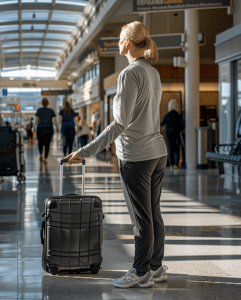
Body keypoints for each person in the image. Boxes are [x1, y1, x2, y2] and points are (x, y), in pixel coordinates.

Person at [65, 21, 168, 289]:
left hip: (136, 156)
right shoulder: (152, 72)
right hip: (157, 152)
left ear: (129, 43)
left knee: (140, 217)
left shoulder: (129, 74)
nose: (119, 42)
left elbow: (120, 123)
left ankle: (140, 271)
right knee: (153, 213)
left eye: (121, 38)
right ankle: (156, 267)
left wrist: (85, 150)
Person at [160, 99, 184, 170]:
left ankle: (171, 164)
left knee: (170, 149)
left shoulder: (167, 115)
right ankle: (176, 165)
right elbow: (182, 125)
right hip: (177, 133)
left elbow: (162, 124)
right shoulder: (178, 115)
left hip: (168, 134)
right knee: (177, 149)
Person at [35, 98, 57, 163]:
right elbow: (53, 120)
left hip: (40, 128)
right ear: (47, 103)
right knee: (47, 144)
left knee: (40, 143)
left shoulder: (39, 110)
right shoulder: (51, 111)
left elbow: (36, 120)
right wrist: (57, 126)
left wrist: (33, 127)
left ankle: (41, 154)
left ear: (42, 103)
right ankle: (45, 158)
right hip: (49, 128)